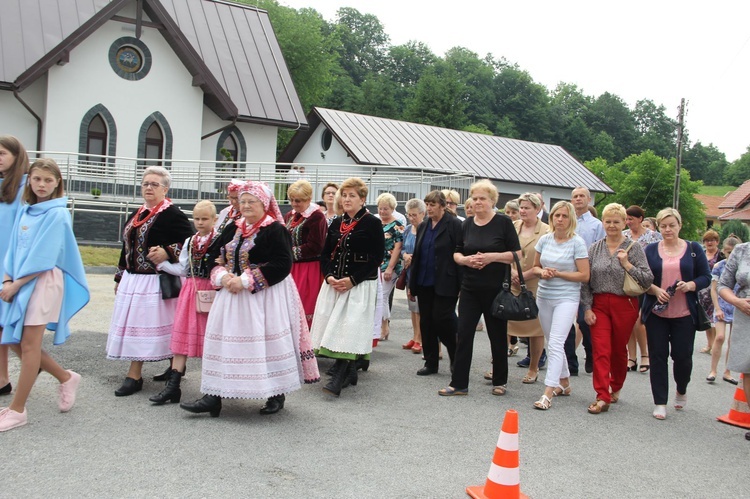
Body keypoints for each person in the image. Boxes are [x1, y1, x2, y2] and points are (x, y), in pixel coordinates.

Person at [180, 181, 319, 417]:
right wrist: (223, 276)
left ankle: (275, 392)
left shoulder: (275, 229)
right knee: (225, 342)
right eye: (242, 201)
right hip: (230, 295)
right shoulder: (232, 228)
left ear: (264, 204)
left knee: (265, 342)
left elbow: (283, 264)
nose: (245, 206)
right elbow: (214, 256)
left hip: (264, 297)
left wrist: (245, 280)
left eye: (251, 201)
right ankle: (214, 395)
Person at [0, 158, 90, 431]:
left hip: (42, 283)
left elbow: (45, 256)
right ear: (30, 179)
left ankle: (17, 410)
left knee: (28, 345)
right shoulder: (27, 211)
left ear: (57, 183)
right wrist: (6, 277)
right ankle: (65, 377)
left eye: (48, 180)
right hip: (17, 281)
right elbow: (12, 250)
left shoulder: (57, 213)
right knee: (14, 340)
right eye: (37, 179)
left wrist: (16, 284)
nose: (42, 185)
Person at [106, 167, 193, 396]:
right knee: (138, 328)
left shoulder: (172, 214)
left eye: (154, 184)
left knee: (156, 328)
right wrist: (120, 275)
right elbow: (127, 247)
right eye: (145, 183)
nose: (148, 188)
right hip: (134, 280)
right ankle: (150, 372)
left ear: (165, 189)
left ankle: (141, 374)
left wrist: (167, 252)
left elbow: (192, 243)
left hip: (157, 282)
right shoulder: (137, 214)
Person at [148, 200, 236, 405]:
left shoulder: (221, 240)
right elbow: (184, 269)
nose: (200, 222)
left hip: (213, 291)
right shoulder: (190, 241)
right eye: (196, 218)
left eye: (205, 219)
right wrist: (162, 265)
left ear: (215, 219)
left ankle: (212, 388)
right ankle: (173, 386)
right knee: (182, 337)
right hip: (191, 290)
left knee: (210, 338)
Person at [439, 180, 520, 396]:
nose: (478, 202)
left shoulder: (503, 222)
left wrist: (492, 257)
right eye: (475, 198)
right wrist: (465, 261)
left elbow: (517, 254)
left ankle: (500, 381)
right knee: (464, 334)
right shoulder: (466, 224)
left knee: (497, 335)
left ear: (492, 201)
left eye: (482, 198)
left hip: (496, 290)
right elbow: (456, 252)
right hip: (470, 288)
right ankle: (459, 383)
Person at [311, 178, 385, 397]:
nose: (346, 199)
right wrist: (329, 276)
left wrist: (353, 279)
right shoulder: (336, 222)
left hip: (359, 284)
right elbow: (325, 254)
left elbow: (376, 257)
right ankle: (350, 369)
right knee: (333, 324)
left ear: (362, 199)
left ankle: (341, 376)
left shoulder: (372, 223)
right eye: (344, 195)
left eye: (352, 195)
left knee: (349, 327)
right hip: (335, 283)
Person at [581, 204, 653, 414]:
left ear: (624, 223)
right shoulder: (594, 248)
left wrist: (627, 264)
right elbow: (585, 281)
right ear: (602, 223)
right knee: (601, 350)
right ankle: (602, 396)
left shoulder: (634, 248)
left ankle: (617, 384)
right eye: (608, 221)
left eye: (616, 222)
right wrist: (587, 308)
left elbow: (647, 279)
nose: (611, 225)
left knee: (618, 351)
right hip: (600, 304)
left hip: (625, 304)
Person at [642, 208, 710, 420]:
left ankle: (681, 388)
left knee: (682, 357)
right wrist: (655, 290)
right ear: (658, 227)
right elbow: (642, 278)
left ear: (679, 225)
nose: (668, 229)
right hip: (656, 313)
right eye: (663, 226)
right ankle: (660, 401)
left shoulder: (693, 248)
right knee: (658, 356)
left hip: (684, 313)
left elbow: (706, 277)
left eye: (672, 225)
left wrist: (690, 285)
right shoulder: (651, 250)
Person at [531, 201, 589, 410]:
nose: (560, 219)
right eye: (557, 216)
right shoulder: (545, 240)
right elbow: (535, 267)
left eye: (564, 216)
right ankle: (564, 383)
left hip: (567, 298)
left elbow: (584, 274)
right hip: (544, 295)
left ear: (571, 219)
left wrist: (559, 273)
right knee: (552, 340)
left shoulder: (577, 243)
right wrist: (542, 272)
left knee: (555, 343)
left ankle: (548, 391)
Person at [410, 191, 462, 376]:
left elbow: (460, 253)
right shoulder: (424, 225)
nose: (429, 208)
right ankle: (431, 362)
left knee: (443, 319)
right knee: (427, 323)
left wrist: (461, 285)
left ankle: (457, 357)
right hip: (424, 281)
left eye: (432, 205)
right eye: (427, 205)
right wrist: (412, 284)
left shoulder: (454, 225)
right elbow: (418, 255)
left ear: (442, 205)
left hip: (445, 282)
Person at [507, 193, 548, 384]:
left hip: (534, 285)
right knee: (502, 323)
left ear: (538, 209)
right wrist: (513, 270)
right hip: (511, 281)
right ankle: (497, 365)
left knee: (535, 328)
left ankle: (533, 368)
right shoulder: (513, 227)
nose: (522, 211)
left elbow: (545, 262)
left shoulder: (547, 231)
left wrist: (524, 275)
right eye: (521, 207)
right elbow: (505, 251)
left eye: (527, 208)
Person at [565, 187, 605, 375]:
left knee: (584, 319)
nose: (578, 199)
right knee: (565, 321)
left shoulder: (596, 225)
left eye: (582, 196)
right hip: (566, 276)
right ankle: (570, 361)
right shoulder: (565, 222)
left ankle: (590, 352)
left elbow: (602, 251)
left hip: (587, 278)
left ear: (589, 199)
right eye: (575, 196)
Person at [0, 136, 29, 397]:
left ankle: (55, 372)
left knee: (12, 327)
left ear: (16, 156)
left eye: (2, 153)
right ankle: (2, 379)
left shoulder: (25, 188)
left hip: (10, 267)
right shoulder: (2, 185)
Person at [717, 241, 750, 441]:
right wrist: (737, 301)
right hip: (745, 314)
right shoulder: (741, 250)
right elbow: (723, 285)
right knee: (748, 369)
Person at [623, 205, 662, 373]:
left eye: (631, 218)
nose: (628, 222)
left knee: (640, 320)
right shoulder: (623, 235)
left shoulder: (654, 236)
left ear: (640, 219)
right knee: (628, 320)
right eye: (626, 219)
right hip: (626, 282)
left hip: (646, 282)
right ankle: (631, 357)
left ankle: (645, 354)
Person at [285, 180, 327, 328]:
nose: (295, 203)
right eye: (292, 200)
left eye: (299, 200)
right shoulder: (290, 215)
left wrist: (289, 252)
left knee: (304, 303)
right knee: (289, 304)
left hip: (308, 268)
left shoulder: (317, 217)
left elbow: (316, 246)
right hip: (291, 267)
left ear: (309, 199)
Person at [708, 235, 742, 384]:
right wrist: (717, 308)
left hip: (738, 306)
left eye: (733, 252)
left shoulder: (743, 267)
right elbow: (713, 290)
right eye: (728, 252)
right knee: (720, 337)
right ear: (724, 251)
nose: (730, 255)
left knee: (732, 340)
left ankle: (727, 371)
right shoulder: (719, 266)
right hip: (721, 305)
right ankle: (713, 370)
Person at [376, 193, 404, 341]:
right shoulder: (377, 223)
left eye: (385, 209)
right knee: (378, 296)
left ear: (392, 208)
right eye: (380, 208)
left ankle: (384, 327)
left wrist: (390, 268)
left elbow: (398, 248)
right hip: (377, 264)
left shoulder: (398, 225)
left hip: (390, 265)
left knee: (383, 296)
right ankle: (382, 326)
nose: (382, 212)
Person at [401, 198, 426, 354]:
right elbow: (403, 248)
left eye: (415, 215)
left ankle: (421, 339)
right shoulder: (408, 229)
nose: (411, 218)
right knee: (412, 307)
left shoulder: (426, 229)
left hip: (421, 273)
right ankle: (415, 336)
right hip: (410, 272)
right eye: (409, 214)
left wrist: (414, 257)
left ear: (422, 214)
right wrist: (404, 256)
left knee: (420, 308)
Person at [699, 229, 723, 354]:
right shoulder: (701, 254)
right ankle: (709, 344)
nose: (709, 243)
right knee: (706, 319)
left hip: (716, 290)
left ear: (717, 242)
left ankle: (715, 345)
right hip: (702, 291)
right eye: (707, 240)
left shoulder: (721, 255)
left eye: (712, 240)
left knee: (715, 318)